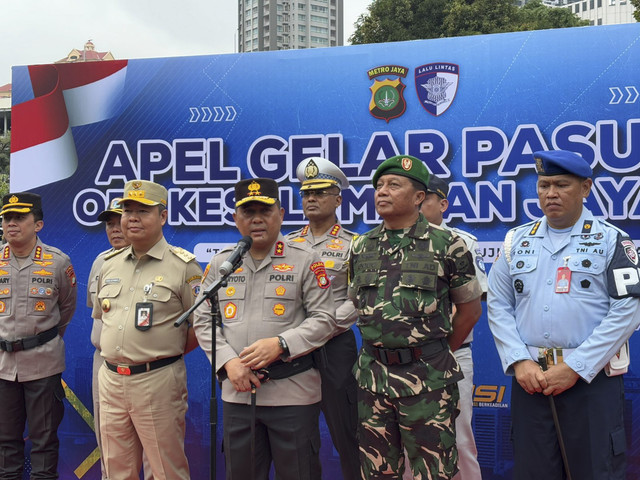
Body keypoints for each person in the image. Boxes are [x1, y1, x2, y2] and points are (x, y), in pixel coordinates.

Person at [487, 150, 640, 480]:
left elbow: (628, 311)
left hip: (590, 382)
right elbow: (498, 304)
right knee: (533, 472)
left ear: (585, 188)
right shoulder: (516, 240)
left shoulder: (612, 240)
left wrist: (575, 367)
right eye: (543, 185)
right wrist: (518, 361)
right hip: (532, 381)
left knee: (595, 471)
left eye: (561, 185)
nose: (550, 194)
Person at [193, 177, 338, 480]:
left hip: (293, 395)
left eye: (265, 211)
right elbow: (203, 319)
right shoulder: (222, 264)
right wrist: (228, 362)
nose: (256, 219)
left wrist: (282, 343)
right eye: (248, 212)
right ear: (235, 218)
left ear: (281, 214)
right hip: (238, 394)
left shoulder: (306, 261)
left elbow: (325, 319)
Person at [348, 155, 483, 479]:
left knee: (434, 473)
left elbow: (470, 310)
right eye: (379, 185)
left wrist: (434, 353)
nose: (383, 191)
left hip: (427, 382)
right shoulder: (361, 247)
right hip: (373, 380)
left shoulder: (448, 245)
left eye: (394, 185)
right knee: (377, 472)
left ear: (420, 196)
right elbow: (357, 305)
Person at [92, 180, 202, 480]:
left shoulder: (184, 266)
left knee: (166, 471)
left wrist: (163, 351)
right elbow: (102, 320)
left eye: (143, 210)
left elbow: (202, 326)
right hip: (111, 379)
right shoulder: (109, 264)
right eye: (128, 210)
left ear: (163, 216)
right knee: (116, 470)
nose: (132, 218)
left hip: (157, 380)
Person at [286, 157, 360, 480]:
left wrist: (321, 328)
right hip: (294, 349)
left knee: (349, 435)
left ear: (338, 199)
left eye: (320, 191)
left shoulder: (354, 245)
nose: (311, 199)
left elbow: (356, 301)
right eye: (306, 193)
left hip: (335, 347)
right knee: (298, 438)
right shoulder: (286, 244)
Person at [0, 192, 78, 479]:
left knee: (44, 443)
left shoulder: (58, 262)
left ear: (39, 225)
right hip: (3, 367)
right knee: (5, 443)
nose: (11, 224)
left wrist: (39, 339)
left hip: (43, 365)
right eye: (7, 218)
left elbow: (66, 308)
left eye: (20, 218)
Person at [417, 176, 487, 480]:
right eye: (414, 198)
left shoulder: (461, 243)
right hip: (402, 363)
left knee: (458, 442)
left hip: (451, 355)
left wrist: (441, 351)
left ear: (443, 204)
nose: (417, 205)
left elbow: (470, 306)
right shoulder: (385, 244)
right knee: (409, 445)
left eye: (426, 200)